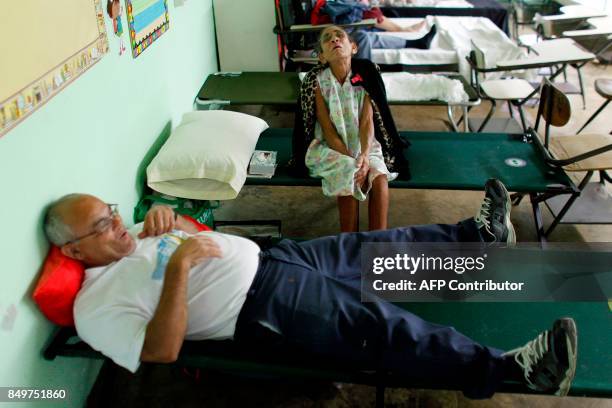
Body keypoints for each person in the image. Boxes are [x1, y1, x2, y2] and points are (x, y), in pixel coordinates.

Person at [43, 179, 577, 399]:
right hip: (263, 307)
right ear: (72, 251)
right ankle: (513, 371)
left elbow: (189, 241)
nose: (118, 223)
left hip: (276, 259)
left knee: (379, 250)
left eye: (112, 212)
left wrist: (175, 222)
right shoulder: (95, 304)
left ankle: (473, 237)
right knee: (385, 330)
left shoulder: (134, 236)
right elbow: (160, 351)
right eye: (102, 225)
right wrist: (180, 267)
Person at [303, 25, 406, 232]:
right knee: (348, 171)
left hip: (365, 146)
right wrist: (353, 161)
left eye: (339, 36)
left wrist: (365, 156)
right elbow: (328, 131)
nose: (334, 39)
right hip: (331, 148)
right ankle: (348, 241)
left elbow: (368, 122)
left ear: (353, 47)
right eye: (327, 38)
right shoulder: (318, 83)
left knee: (380, 180)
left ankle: (378, 243)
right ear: (322, 57)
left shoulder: (365, 77)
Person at [310, 0, 437, 60]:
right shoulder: (324, 5)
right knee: (366, 30)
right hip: (329, 32)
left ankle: (416, 42)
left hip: (337, 28)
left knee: (367, 36)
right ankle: (365, 78)